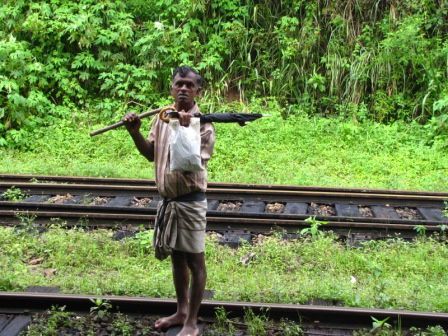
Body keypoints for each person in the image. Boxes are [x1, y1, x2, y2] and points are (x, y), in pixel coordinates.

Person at [122, 66, 215, 336]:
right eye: (179, 84)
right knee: (176, 258)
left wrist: (185, 129)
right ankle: (181, 311)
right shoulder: (161, 117)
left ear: (198, 91)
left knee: (195, 262)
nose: (183, 89)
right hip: (168, 201)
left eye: (189, 85)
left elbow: (190, 161)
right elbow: (151, 154)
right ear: (171, 88)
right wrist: (134, 131)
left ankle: (191, 322)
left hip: (190, 201)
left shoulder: (204, 123)